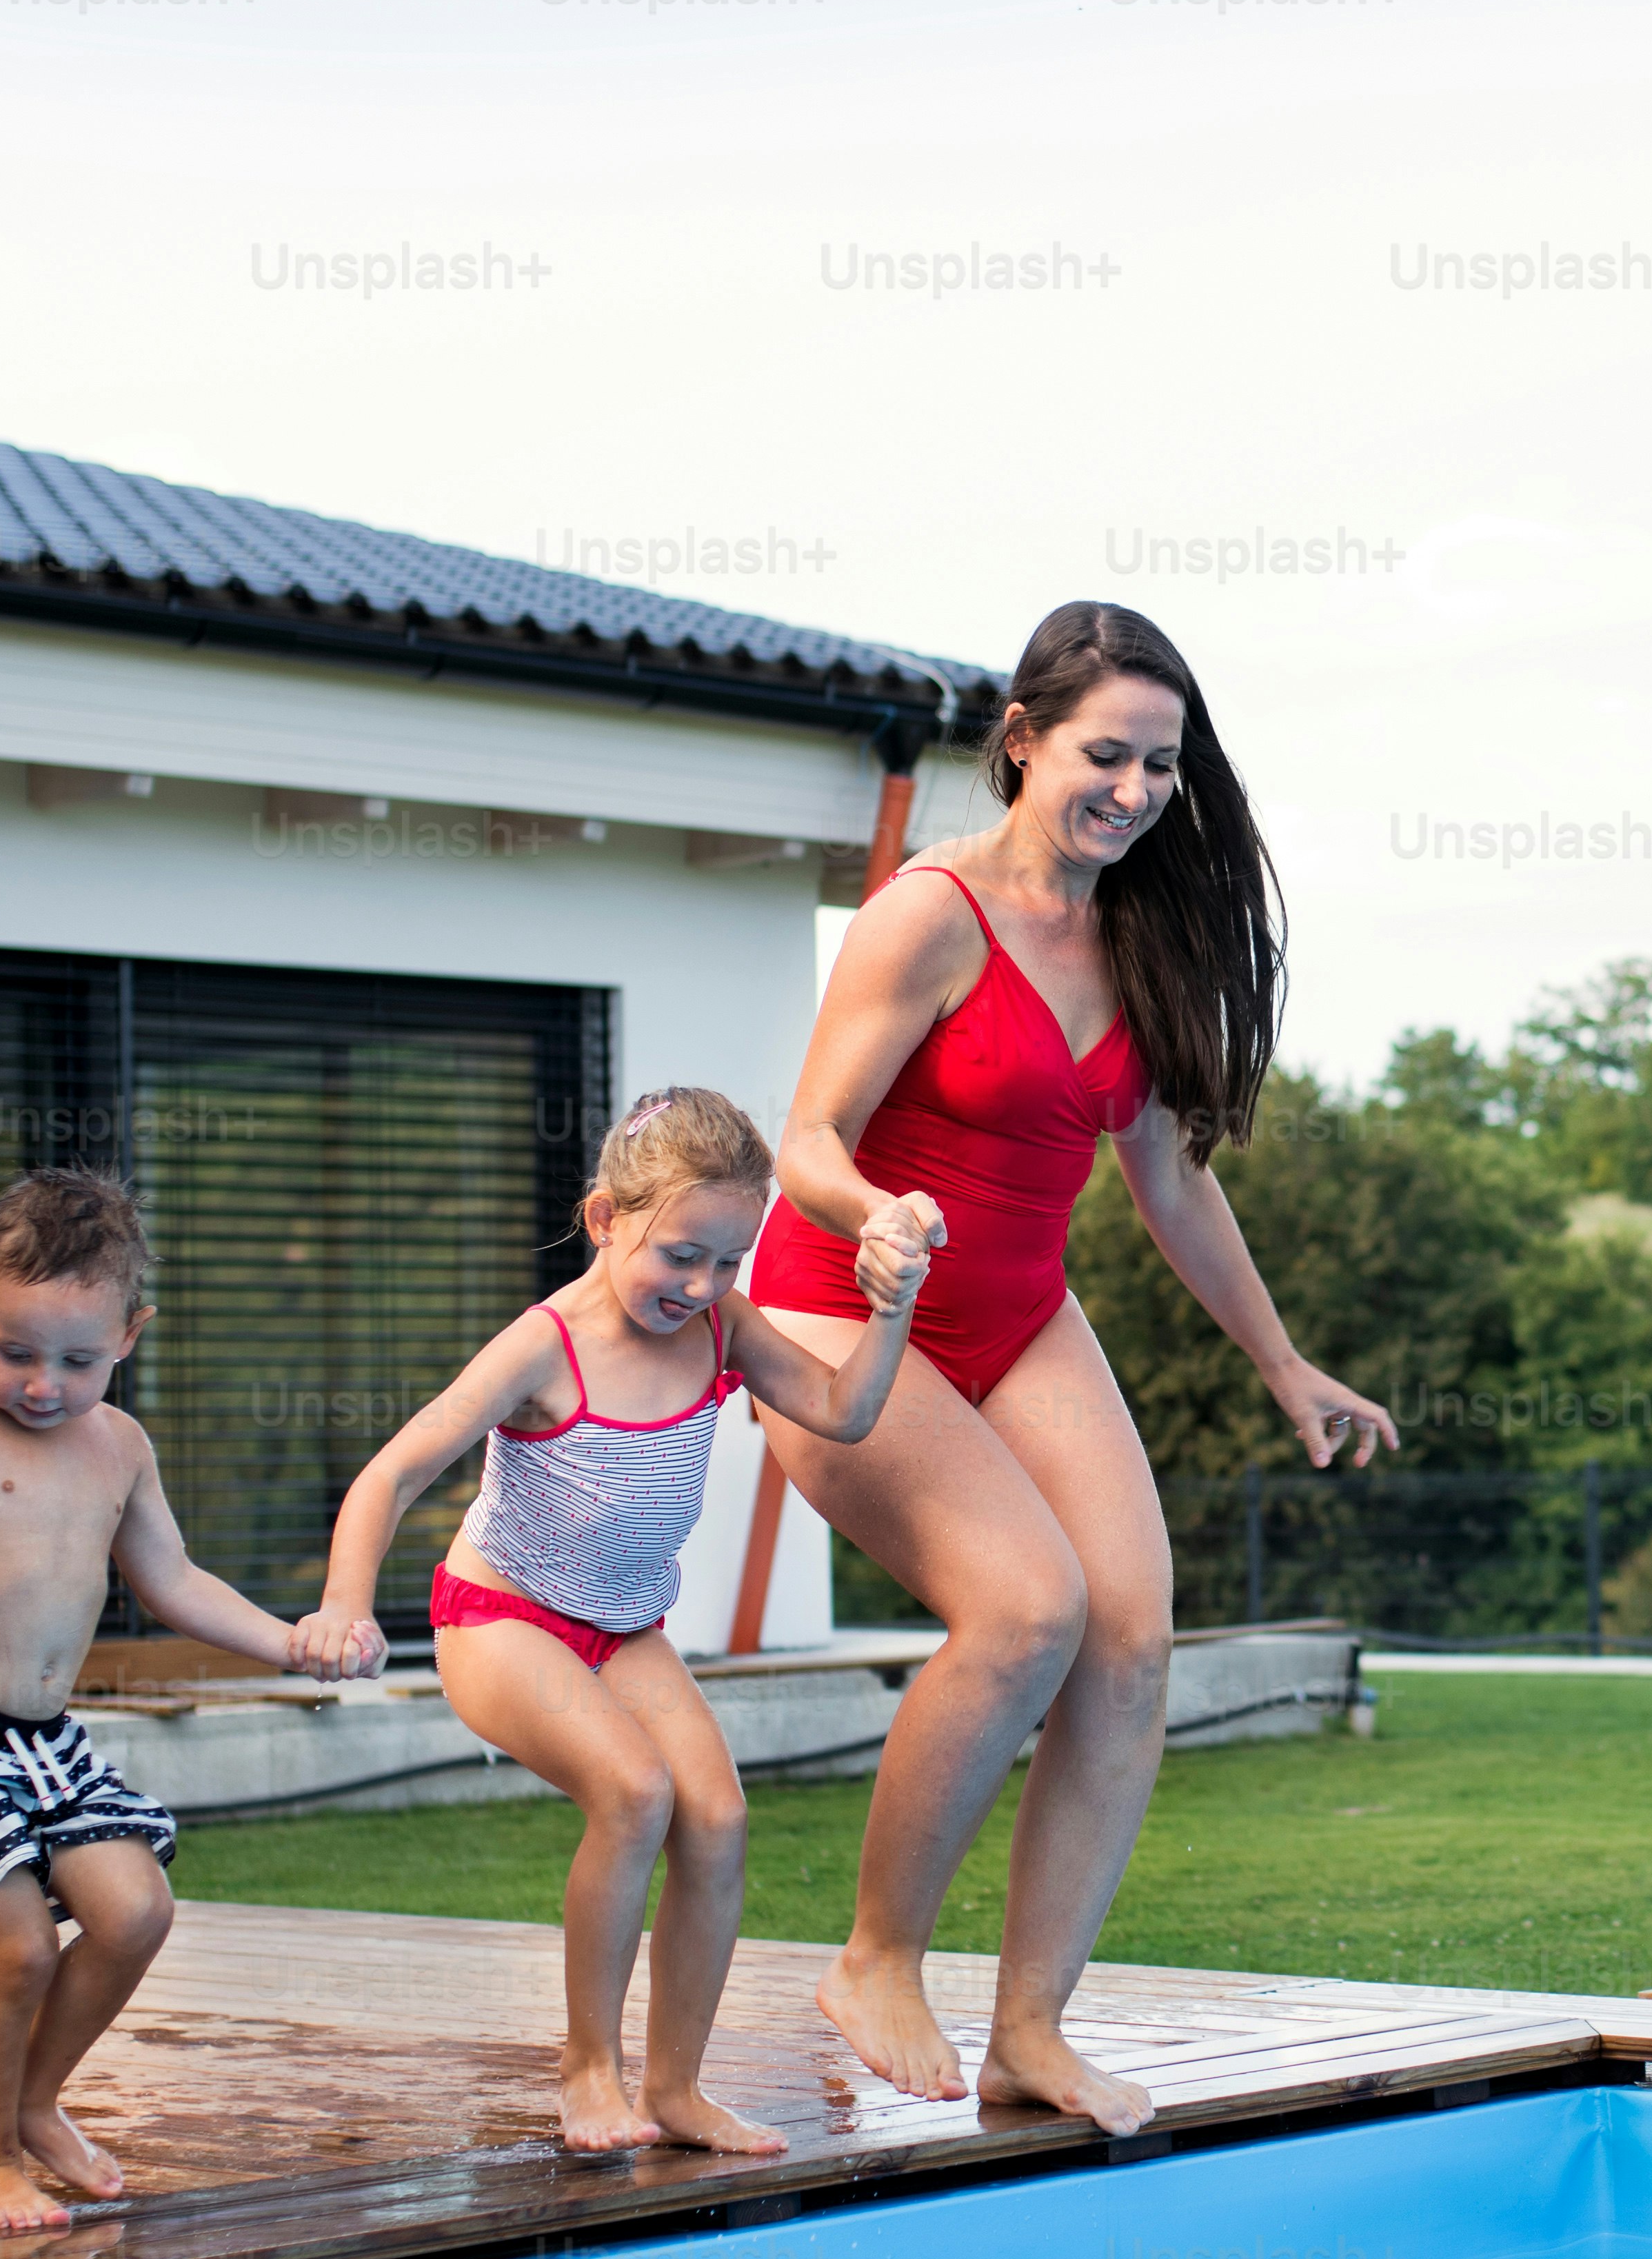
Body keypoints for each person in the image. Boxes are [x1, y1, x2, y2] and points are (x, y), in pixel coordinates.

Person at [738, 603, 1395, 2137]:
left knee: (1132, 1639)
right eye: (1109, 754)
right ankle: (876, 1955)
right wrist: (875, 1215)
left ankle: (1033, 2027)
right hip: (848, 1306)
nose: (1138, 790)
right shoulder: (928, 915)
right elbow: (809, 1141)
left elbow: (1170, 1182)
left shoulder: (1142, 934)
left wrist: (1285, 1364)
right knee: (1027, 1607)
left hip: (1020, 1309)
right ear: (1022, 740)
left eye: (1164, 766)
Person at [299, 1088, 931, 2158]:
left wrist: (892, 1309)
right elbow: (393, 1472)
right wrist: (345, 1602)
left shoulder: (719, 1326)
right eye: (681, 1254)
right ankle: (587, 2072)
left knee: (719, 1820)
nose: (702, 1286)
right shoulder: (544, 1348)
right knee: (635, 1792)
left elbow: (843, 1411)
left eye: (728, 1262)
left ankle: (677, 2089)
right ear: (604, 1220)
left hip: (622, 1627)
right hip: (501, 1617)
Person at [0, 1170, 369, 2233]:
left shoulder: (121, 1449)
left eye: (77, 1360)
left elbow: (176, 1583)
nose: (43, 1385)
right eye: (14, 1349)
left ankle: (36, 2101)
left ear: (129, 1338)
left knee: (136, 1908)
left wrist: (291, 1642)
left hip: (45, 1744)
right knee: (15, 1950)